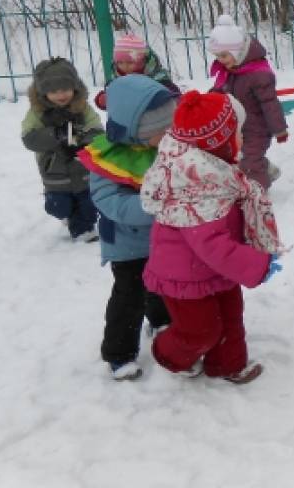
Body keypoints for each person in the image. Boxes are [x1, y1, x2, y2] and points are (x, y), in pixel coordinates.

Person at [142, 91, 284, 384]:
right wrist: (257, 264)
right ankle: (168, 353)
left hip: (215, 271)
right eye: (238, 134)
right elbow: (213, 246)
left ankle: (227, 364)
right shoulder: (193, 185)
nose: (242, 139)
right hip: (185, 279)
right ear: (218, 142)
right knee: (200, 332)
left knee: (231, 318)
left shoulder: (213, 169)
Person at [79, 75, 176, 380]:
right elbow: (111, 203)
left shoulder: (164, 147)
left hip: (163, 239)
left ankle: (160, 320)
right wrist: (156, 206)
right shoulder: (107, 159)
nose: (169, 136)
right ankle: (119, 353)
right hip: (126, 244)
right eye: (161, 132)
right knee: (129, 297)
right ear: (136, 131)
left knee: (163, 284)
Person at [21, 58, 103, 242]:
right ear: (43, 92)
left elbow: (96, 129)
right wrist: (55, 135)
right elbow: (29, 138)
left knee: (89, 203)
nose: (61, 95)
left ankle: (84, 230)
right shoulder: (37, 113)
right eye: (53, 91)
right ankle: (68, 214)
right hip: (54, 171)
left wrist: (84, 141)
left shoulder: (82, 108)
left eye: (65, 89)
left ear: (74, 87)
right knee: (59, 206)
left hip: (82, 167)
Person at [207, 15, 288, 190]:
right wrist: (207, 100)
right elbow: (220, 91)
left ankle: (258, 192)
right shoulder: (230, 69)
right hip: (237, 127)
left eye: (223, 55)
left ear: (237, 51)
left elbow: (270, 103)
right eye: (217, 56)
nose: (220, 60)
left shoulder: (259, 74)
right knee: (238, 158)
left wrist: (279, 129)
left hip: (257, 128)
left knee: (249, 162)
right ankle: (265, 168)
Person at [94, 33, 179, 111]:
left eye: (130, 62)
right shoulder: (117, 81)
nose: (125, 67)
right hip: (125, 120)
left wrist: (159, 96)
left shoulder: (158, 78)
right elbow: (110, 100)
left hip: (154, 119)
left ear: (143, 61)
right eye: (120, 62)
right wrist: (104, 99)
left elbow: (175, 96)